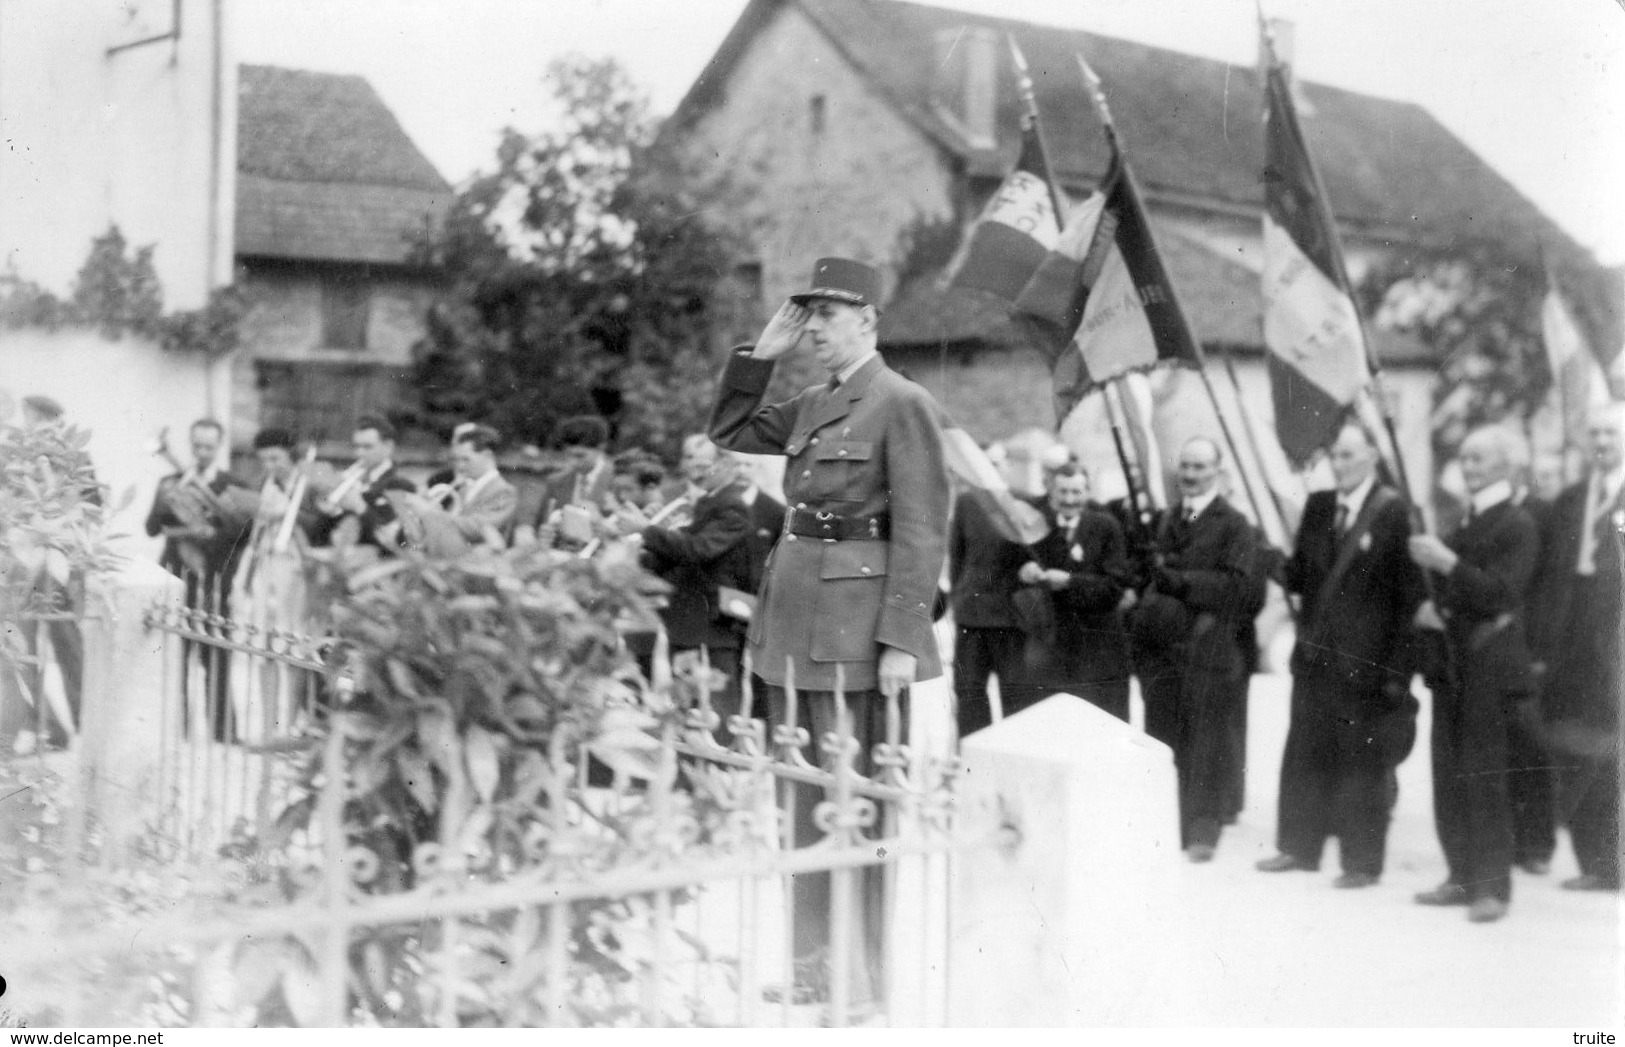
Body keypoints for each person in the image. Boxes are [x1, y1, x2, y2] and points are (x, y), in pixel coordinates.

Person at [708, 256, 950, 1007]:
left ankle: (862, 977)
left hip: (857, 635)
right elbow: (730, 426)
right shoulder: (810, 401)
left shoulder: (900, 401)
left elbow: (920, 528)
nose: (813, 329)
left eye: (828, 315)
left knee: (860, 807)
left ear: (868, 320)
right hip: (792, 623)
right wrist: (760, 355)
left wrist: (900, 642)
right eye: (806, 315)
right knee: (801, 802)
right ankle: (814, 967)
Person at [1257, 423, 1422, 887]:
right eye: (1337, 455)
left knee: (1362, 763)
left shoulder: (1392, 512)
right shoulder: (1319, 506)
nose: (1341, 463)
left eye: (1350, 455)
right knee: (1304, 752)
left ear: (1371, 456)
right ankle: (1298, 848)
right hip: (1314, 656)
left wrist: (1396, 672)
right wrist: (1269, 559)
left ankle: (1361, 863)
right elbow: (1301, 576)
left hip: (1365, 665)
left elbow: (1406, 599)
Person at [1407, 425, 1541, 923]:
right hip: (1454, 663)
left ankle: (1491, 888)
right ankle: (1459, 876)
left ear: (1506, 465)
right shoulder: (1463, 522)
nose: (1468, 467)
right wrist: (1430, 606)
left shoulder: (1517, 524)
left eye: (1480, 459)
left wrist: (1446, 563)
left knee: (1485, 776)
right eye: (1464, 458)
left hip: (1488, 664)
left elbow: (1501, 595)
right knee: (1449, 771)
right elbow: (1454, 592)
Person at [1128, 436, 1258, 862]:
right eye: (1185, 466)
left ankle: (1203, 830)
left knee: (1205, 742)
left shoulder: (1235, 524)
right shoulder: (1165, 521)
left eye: (1200, 467)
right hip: (1164, 653)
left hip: (1208, 650)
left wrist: (1182, 583)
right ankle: (1165, 826)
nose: (1190, 475)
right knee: (1163, 738)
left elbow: (1240, 589)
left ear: (1218, 471)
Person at [1528, 405, 1623, 891]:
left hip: (1618, 639)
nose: (1603, 442)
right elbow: (1544, 578)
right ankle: (1596, 864)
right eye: (1597, 434)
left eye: (1613, 433)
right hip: (1572, 641)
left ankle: (1615, 864)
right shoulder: (1569, 501)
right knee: (1576, 749)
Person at [621, 437, 754, 726]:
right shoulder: (709, 501)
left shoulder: (731, 506)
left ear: (727, 465)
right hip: (690, 623)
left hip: (710, 625)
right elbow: (676, 554)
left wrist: (646, 531)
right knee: (690, 707)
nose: (697, 472)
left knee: (714, 713)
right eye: (693, 464)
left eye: (705, 465)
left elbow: (697, 550)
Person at [145, 417, 255, 741]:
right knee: (175, 658)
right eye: (196, 446)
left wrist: (208, 533)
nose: (201, 452)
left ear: (218, 447)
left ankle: (223, 734)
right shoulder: (170, 481)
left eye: (208, 446)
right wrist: (166, 502)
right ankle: (176, 730)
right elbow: (151, 528)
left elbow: (241, 535)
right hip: (177, 575)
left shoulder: (233, 485)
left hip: (214, 580)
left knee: (216, 655)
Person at [7, 396, 97, 753]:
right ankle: (39, 725)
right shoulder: (17, 461)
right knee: (23, 645)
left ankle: (84, 721)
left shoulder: (77, 459)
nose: (35, 429)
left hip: (62, 560)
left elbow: (91, 508)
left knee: (68, 644)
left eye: (41, 423)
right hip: (26, 558)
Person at [1014, 464, 1132, 721]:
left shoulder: (1106, 526)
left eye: (1076, 492)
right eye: (1063, 492)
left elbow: (1114, 586)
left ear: (1087, 492)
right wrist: (1025, 571)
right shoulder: (1035, 526)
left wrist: (1070, 581)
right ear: (1051, 492)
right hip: (1053, 654)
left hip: (1098, 653)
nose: (1069, 500)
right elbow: (1009, 572)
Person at [948, 479, 1030, 737]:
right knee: (969, 694)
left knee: (1016, 699)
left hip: (1011, 619)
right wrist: (960, 595)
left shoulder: (1022, 500)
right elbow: (957, 555)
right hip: (972, 617)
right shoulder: (966, 501)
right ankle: (973, 760)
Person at [312, 415, 416, 554]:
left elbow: (396, 541)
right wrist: (332, 510)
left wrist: (360, 507)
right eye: (357, 446)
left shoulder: (400, 484)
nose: (359, 453)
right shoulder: (353, 478)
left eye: (367, 447)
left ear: (388, 447)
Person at [516, 415, 616, 550]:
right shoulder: (556, 481)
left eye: (580, 455)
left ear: (601, 448)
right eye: (569, 454)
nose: (573, 462)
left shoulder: (617, 481)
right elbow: (538, 523)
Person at [446, 425, 518, 546]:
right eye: (457, 460)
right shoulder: (464, 487)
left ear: (487, 456)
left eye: (466, 459)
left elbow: (479, 527)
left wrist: (433, 516)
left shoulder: (504, 491)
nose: (459, 466)